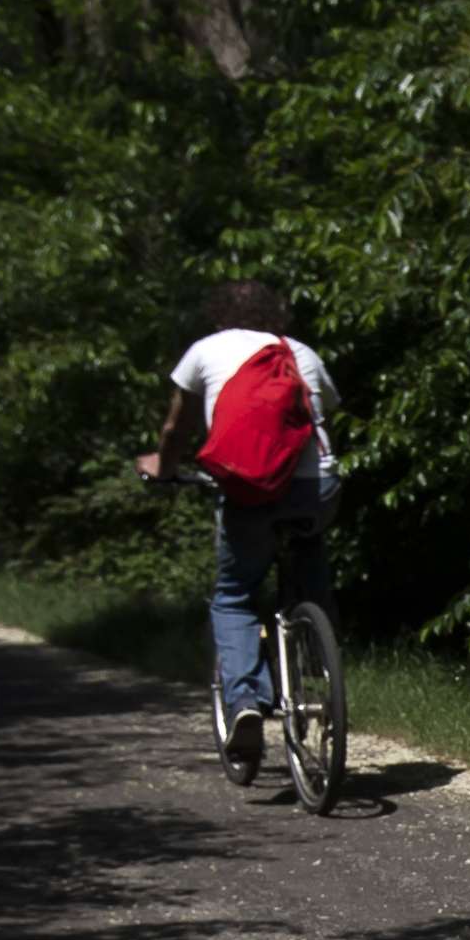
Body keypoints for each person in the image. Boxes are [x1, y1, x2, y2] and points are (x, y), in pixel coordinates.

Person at [138, 280, 340, 779]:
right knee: (308, 552)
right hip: (317, 487)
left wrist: (162, 468)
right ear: (276, 315)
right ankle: (318, 652)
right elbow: (326, 408)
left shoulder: (205, 350)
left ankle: (246, 701)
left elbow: (175, 430)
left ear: (219, 314)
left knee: (233, 595)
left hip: (250, 488)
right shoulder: (299, 352)